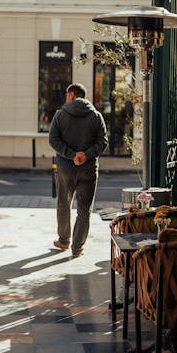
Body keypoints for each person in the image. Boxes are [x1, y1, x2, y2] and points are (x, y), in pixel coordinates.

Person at [48, 82, 108, 257]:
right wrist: (86, 155)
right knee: (84, 209)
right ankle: (77, 248)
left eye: (67, 95)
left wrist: (71, 154)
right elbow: (103, 142)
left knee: (63, 204)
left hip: (65, 168)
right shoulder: (96, 116)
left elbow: (53, 140)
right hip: (88, 169)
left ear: (72, 95)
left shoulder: (60, 115)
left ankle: (64, 240)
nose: (66, 98)